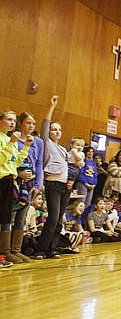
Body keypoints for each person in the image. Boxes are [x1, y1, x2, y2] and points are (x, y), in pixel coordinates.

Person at [34, 96, 73, 260]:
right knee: (53, 217)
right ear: (49, 132)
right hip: (53, 185)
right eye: (54, 129)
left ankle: (53, 248)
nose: (57, 132)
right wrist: (51, 107)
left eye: (59, 130)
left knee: (59, 220)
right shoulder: (47, 143)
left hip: (65, 187)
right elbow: (44, 126)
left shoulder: (63, 149)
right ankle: (40, 249)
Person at [0, 110, 33, 263]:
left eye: (14, 120)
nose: (12, 123)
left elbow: (16, 162)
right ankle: (4, 252)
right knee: (2, 217)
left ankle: (6, 251)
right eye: (9, 119)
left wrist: (25, 147)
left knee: (7, 217)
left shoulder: (9, 139)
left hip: (10, 180)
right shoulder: (4, 140)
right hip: (1, 180)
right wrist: (12, 143)